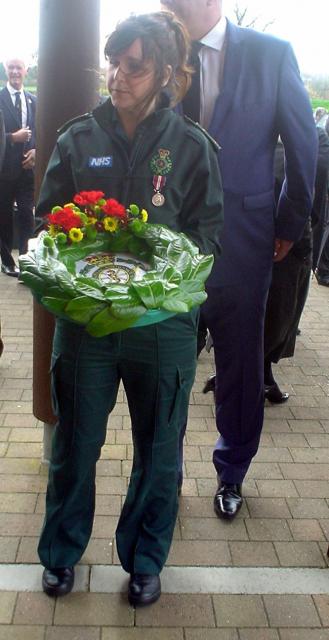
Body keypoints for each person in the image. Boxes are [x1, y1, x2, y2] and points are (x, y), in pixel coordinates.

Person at [36, 12, 223, 606]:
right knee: (75, 444)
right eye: (114, 62)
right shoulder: (78, 137)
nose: (118, 76)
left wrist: (165, 277)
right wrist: (70, 255)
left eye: (134, 67)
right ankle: (61, 553)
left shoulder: (191, 148)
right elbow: (47, 221)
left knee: (159, 450)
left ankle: (145, 559)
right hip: (87, 326)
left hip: (161, 328)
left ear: (165, 72)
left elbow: (210, 239)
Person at [160, 0, 318, 519]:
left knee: (241, 366)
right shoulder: (161, 51)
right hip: (171, 241)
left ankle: (232, 473)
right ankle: (167, 471)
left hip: (247, 238)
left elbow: (302, 146)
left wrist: (289, 224)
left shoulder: (271, 55)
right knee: (169, 363)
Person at [0, 57, 36, 277]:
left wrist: (36, 151)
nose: (15, 72)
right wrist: (12, 137)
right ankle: (6, 262)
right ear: (5, 70)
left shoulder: (33, 100)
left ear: (26, 71)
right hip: (3, 171)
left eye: (18, 68)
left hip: (26, 171)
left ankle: (26, 261)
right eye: (10, 68)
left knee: (26, 215)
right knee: (3, 217)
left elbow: (40, 131)